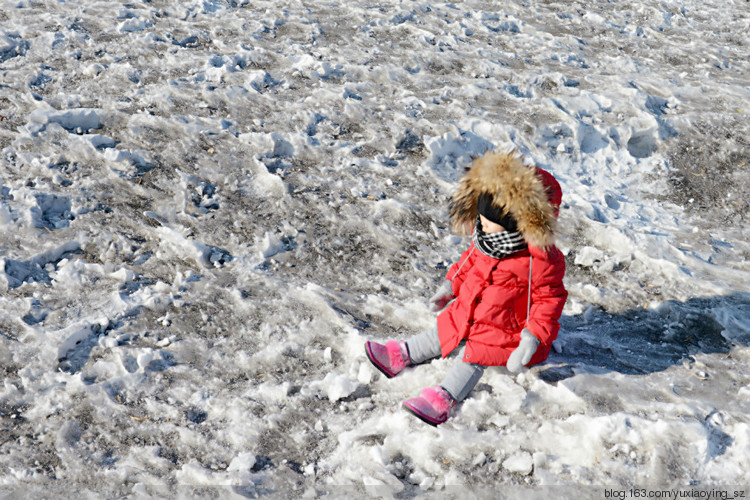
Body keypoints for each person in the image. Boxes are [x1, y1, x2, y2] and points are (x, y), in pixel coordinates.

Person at [365, 150, 568, 426]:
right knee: (444, 329)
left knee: (473, 356)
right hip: (470, 306)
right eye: (481, 220)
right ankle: (400, 354)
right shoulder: (488, 240)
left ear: (515, 225)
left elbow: (549, 300)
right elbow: (468, 261)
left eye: (488, 222)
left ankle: (442, 399)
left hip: (504, 328)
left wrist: (532, 337)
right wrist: (451, 285)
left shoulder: (539, 261)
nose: (481, 226)